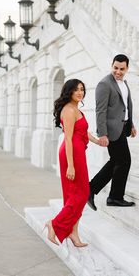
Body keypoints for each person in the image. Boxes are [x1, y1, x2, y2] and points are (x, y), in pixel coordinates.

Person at [44, 79, 100, 247]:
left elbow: (82, 131)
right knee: (81, 194)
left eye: (82, 89)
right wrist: (70, 165)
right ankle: (55, 223)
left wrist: (98, 141)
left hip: (77, 152)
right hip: (72, 154)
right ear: (69, 91)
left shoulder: (76, 109)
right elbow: (68, 138)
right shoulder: (69, 110)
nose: (80, 92)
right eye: (76, 90)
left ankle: (73, 233)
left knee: (74, 194)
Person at [88, 54, 137, 210]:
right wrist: (102, 134)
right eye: (115, 68)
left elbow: (124, 107)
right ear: (112, 65)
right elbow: (100, 111)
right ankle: (114, 197)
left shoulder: (124, 83)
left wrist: (131, 124)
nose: (118, 71)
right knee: (124, 161)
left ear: (127, 68)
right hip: (111, 131)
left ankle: (92, 190)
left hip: (122, 128)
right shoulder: (105, 84)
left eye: (122, 69)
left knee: (116, 161)